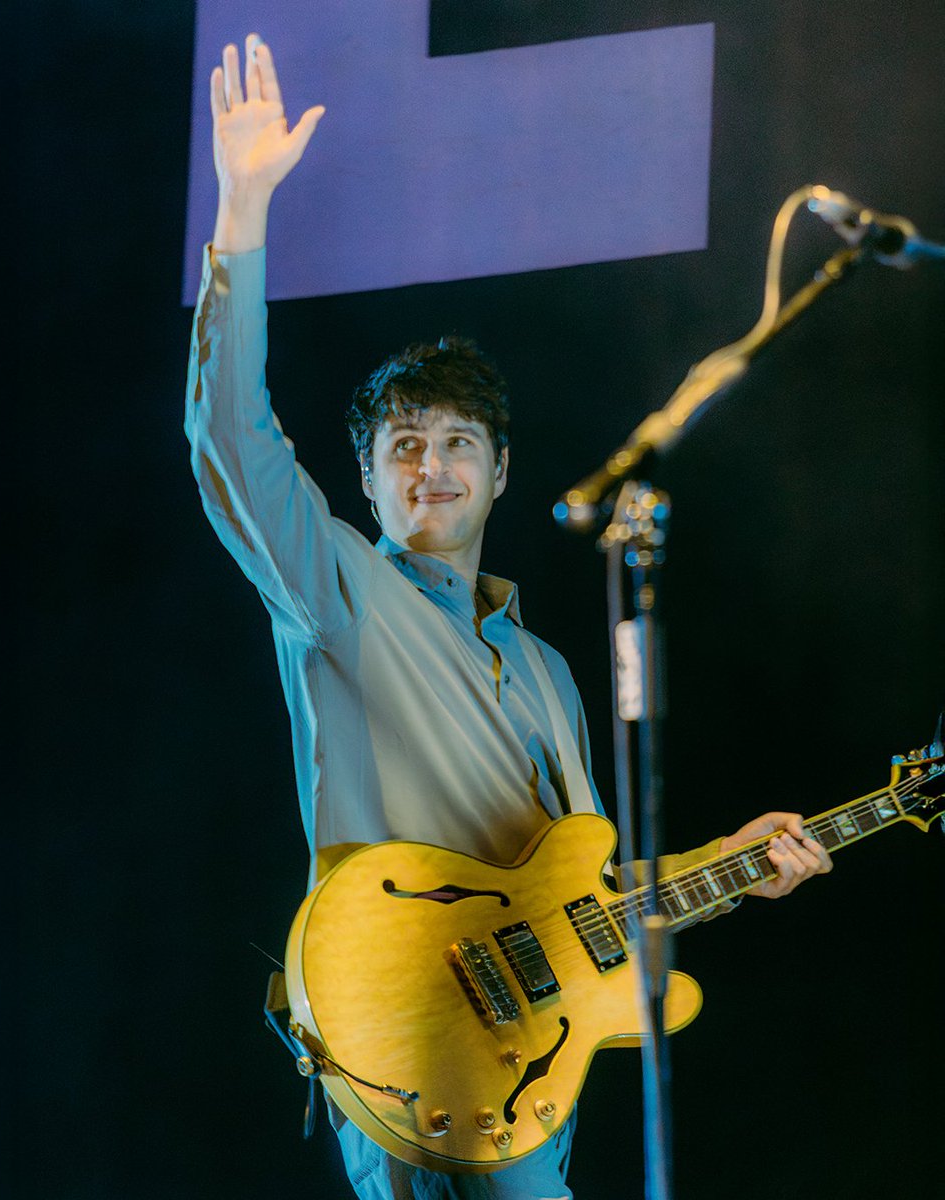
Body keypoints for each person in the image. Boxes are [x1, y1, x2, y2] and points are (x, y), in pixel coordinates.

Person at [185, 34, 833, 1200]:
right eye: (403, 446)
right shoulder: (338, 590)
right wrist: (241, 209)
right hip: (413, 1042)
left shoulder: (545, 669)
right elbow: (230, 442)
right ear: (367, 478)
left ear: (498, 473)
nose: (430, 467)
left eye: (457, 445)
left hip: (535, 1076)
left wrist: (732, 867)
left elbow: (579, 903)